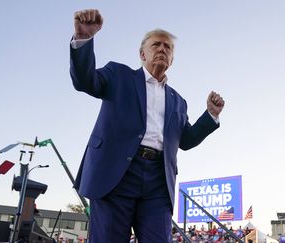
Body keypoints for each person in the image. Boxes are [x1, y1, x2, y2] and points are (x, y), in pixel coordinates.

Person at [70, 9, 225, 242]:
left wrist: (210, 115)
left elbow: (186, 141)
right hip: (115, 176)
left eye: (168, 47)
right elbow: (84, 80)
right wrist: (83, 39)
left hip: (158, 181)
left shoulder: (178, 101)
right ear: (142, 54)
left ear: (172, 59)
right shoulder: (118, 75)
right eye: (156, 45)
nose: (163, 49)